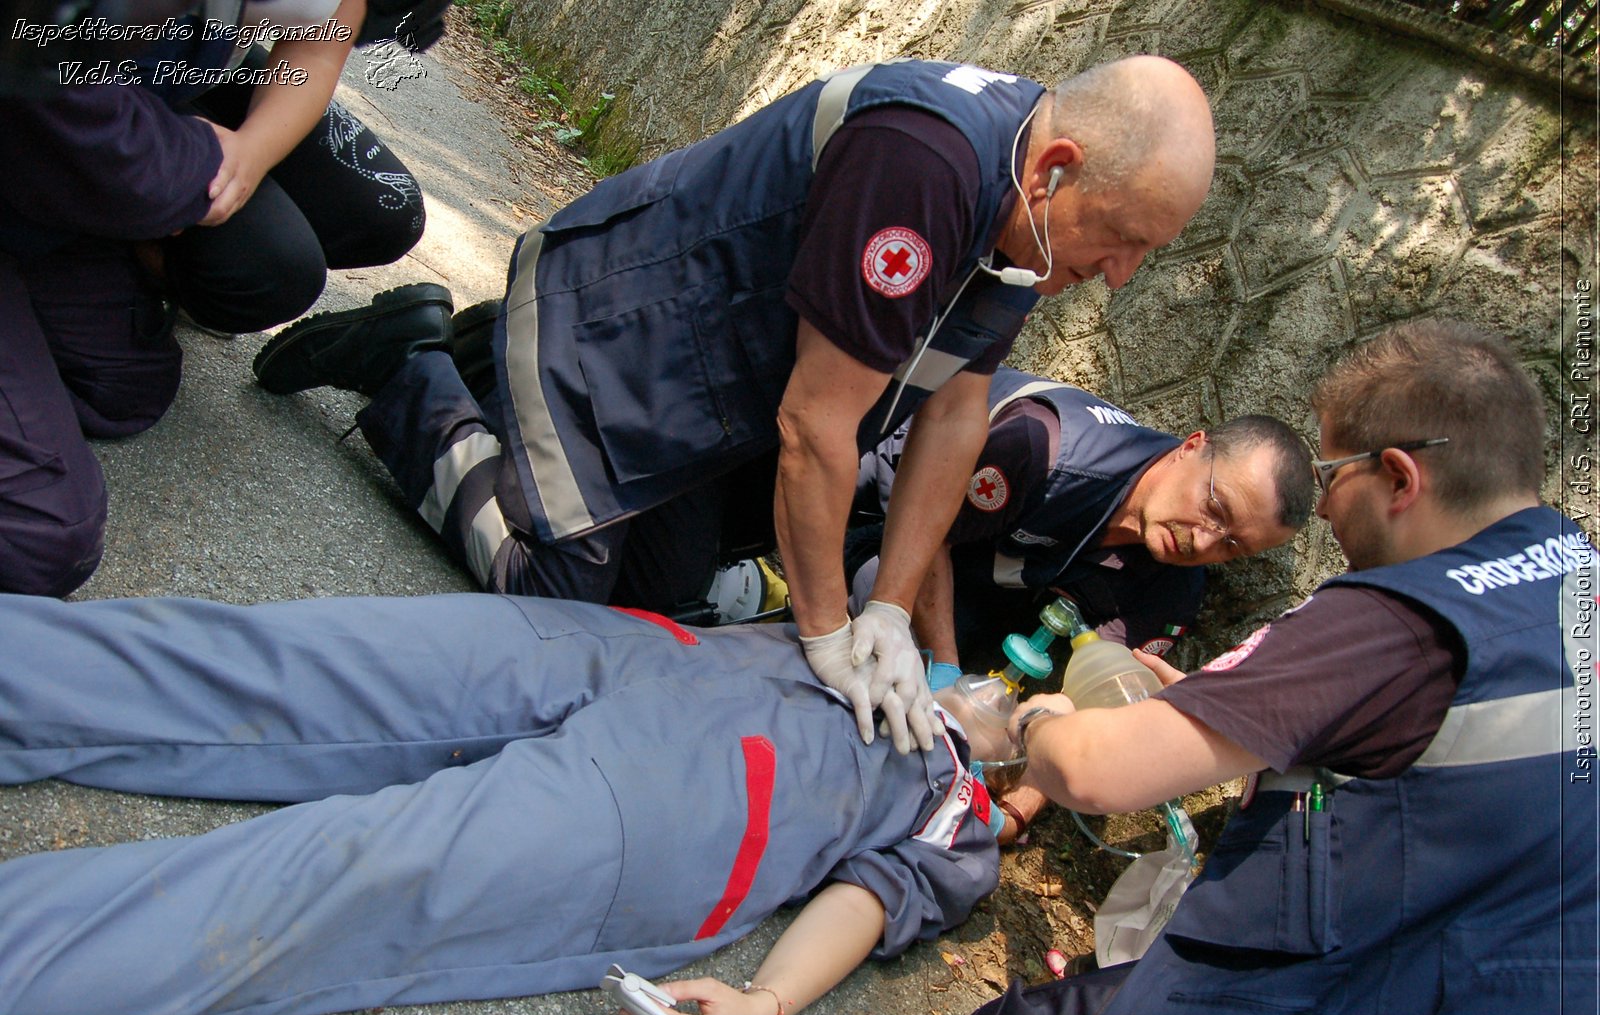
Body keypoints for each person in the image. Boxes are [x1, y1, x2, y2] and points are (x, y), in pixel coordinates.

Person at [249, 55, 1218, 753]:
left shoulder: (1020, 221)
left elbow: (955, 413)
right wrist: (828, 630)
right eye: (1125, 237)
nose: (1121, 275)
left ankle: (483, 382)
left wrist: (890, 607)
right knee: (547, 603)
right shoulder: (927, 163)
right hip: (616, 329)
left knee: (647, 613)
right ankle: (412, 367)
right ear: (1056, 171)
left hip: (714, 396)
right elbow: (813, 426)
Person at [0, 591, 1021, 1015]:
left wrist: (764, 998)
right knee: (273, 656)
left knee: (336, 874)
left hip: (684, 803)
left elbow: (872, 893)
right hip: (626, 652)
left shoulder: (964, 813)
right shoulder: (893, 628)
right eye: (1004, 674)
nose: (1009, 690)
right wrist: (884, 608)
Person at [953, 319, 1598, 1015]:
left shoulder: (1393, 621)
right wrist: (1235, 709)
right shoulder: (1575, 580)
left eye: (1330, 476)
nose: (1321, 508)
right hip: (1539, 1011)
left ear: (1398, 477)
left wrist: (1042, 724)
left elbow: (1095, 770)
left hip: (1367, 1006)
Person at [0, 0, 427, 597]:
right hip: (45, 90)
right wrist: (188, 170)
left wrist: (242, 160)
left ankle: (103, 236)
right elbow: (44, 70)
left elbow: (320, 41)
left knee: (128, 390)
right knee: (46, 533)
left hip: (101, 97)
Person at [848, 365, 1315, 679]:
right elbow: (924, 535)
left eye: (1233, 546)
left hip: (964, 563)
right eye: (1215, 508)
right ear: (1192, 446)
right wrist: (944, 675)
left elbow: (1111, 692)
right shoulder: (1045, 450)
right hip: (886, 458)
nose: (1203, 542)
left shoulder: (1174, 584)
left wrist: (1018, 808)